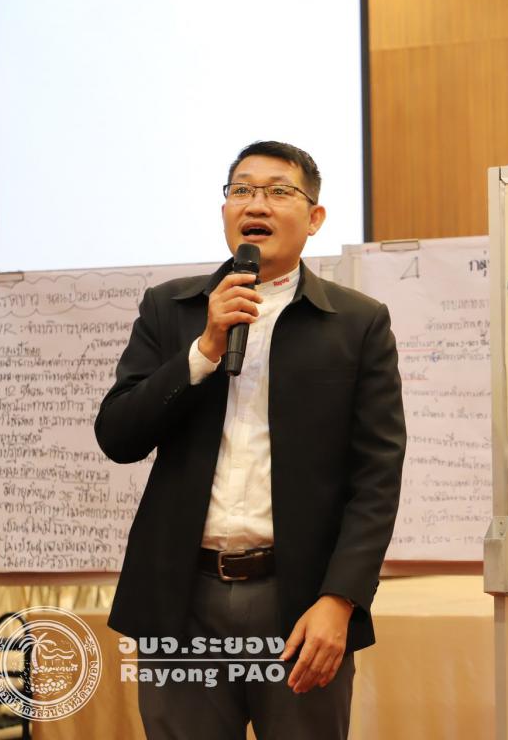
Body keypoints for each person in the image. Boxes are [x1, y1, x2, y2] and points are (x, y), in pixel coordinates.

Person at [95, 140, 405, 739]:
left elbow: (377, 478)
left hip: (300, 603)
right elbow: (119, 435)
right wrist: (203, 350)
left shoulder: (356, 323)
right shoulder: (171, 309)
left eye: (278, 191)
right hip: (182, 601)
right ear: (225, 210)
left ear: (314, 218)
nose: (255, 204)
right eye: (241, 190)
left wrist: (340, 599)